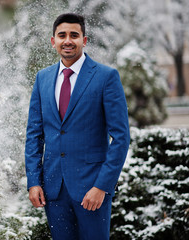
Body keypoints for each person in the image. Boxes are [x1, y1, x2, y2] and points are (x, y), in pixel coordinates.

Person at [25, 13, 130, 239]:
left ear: (85, 40)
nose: (68, 40)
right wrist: (33, 182)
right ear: (53, 41)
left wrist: (102, 186)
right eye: (62, 35)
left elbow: (121, 138)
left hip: (92, 189)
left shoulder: (106, 77)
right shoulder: (42, 78)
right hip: (54, 190)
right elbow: (34, 135)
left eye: (74, 35)